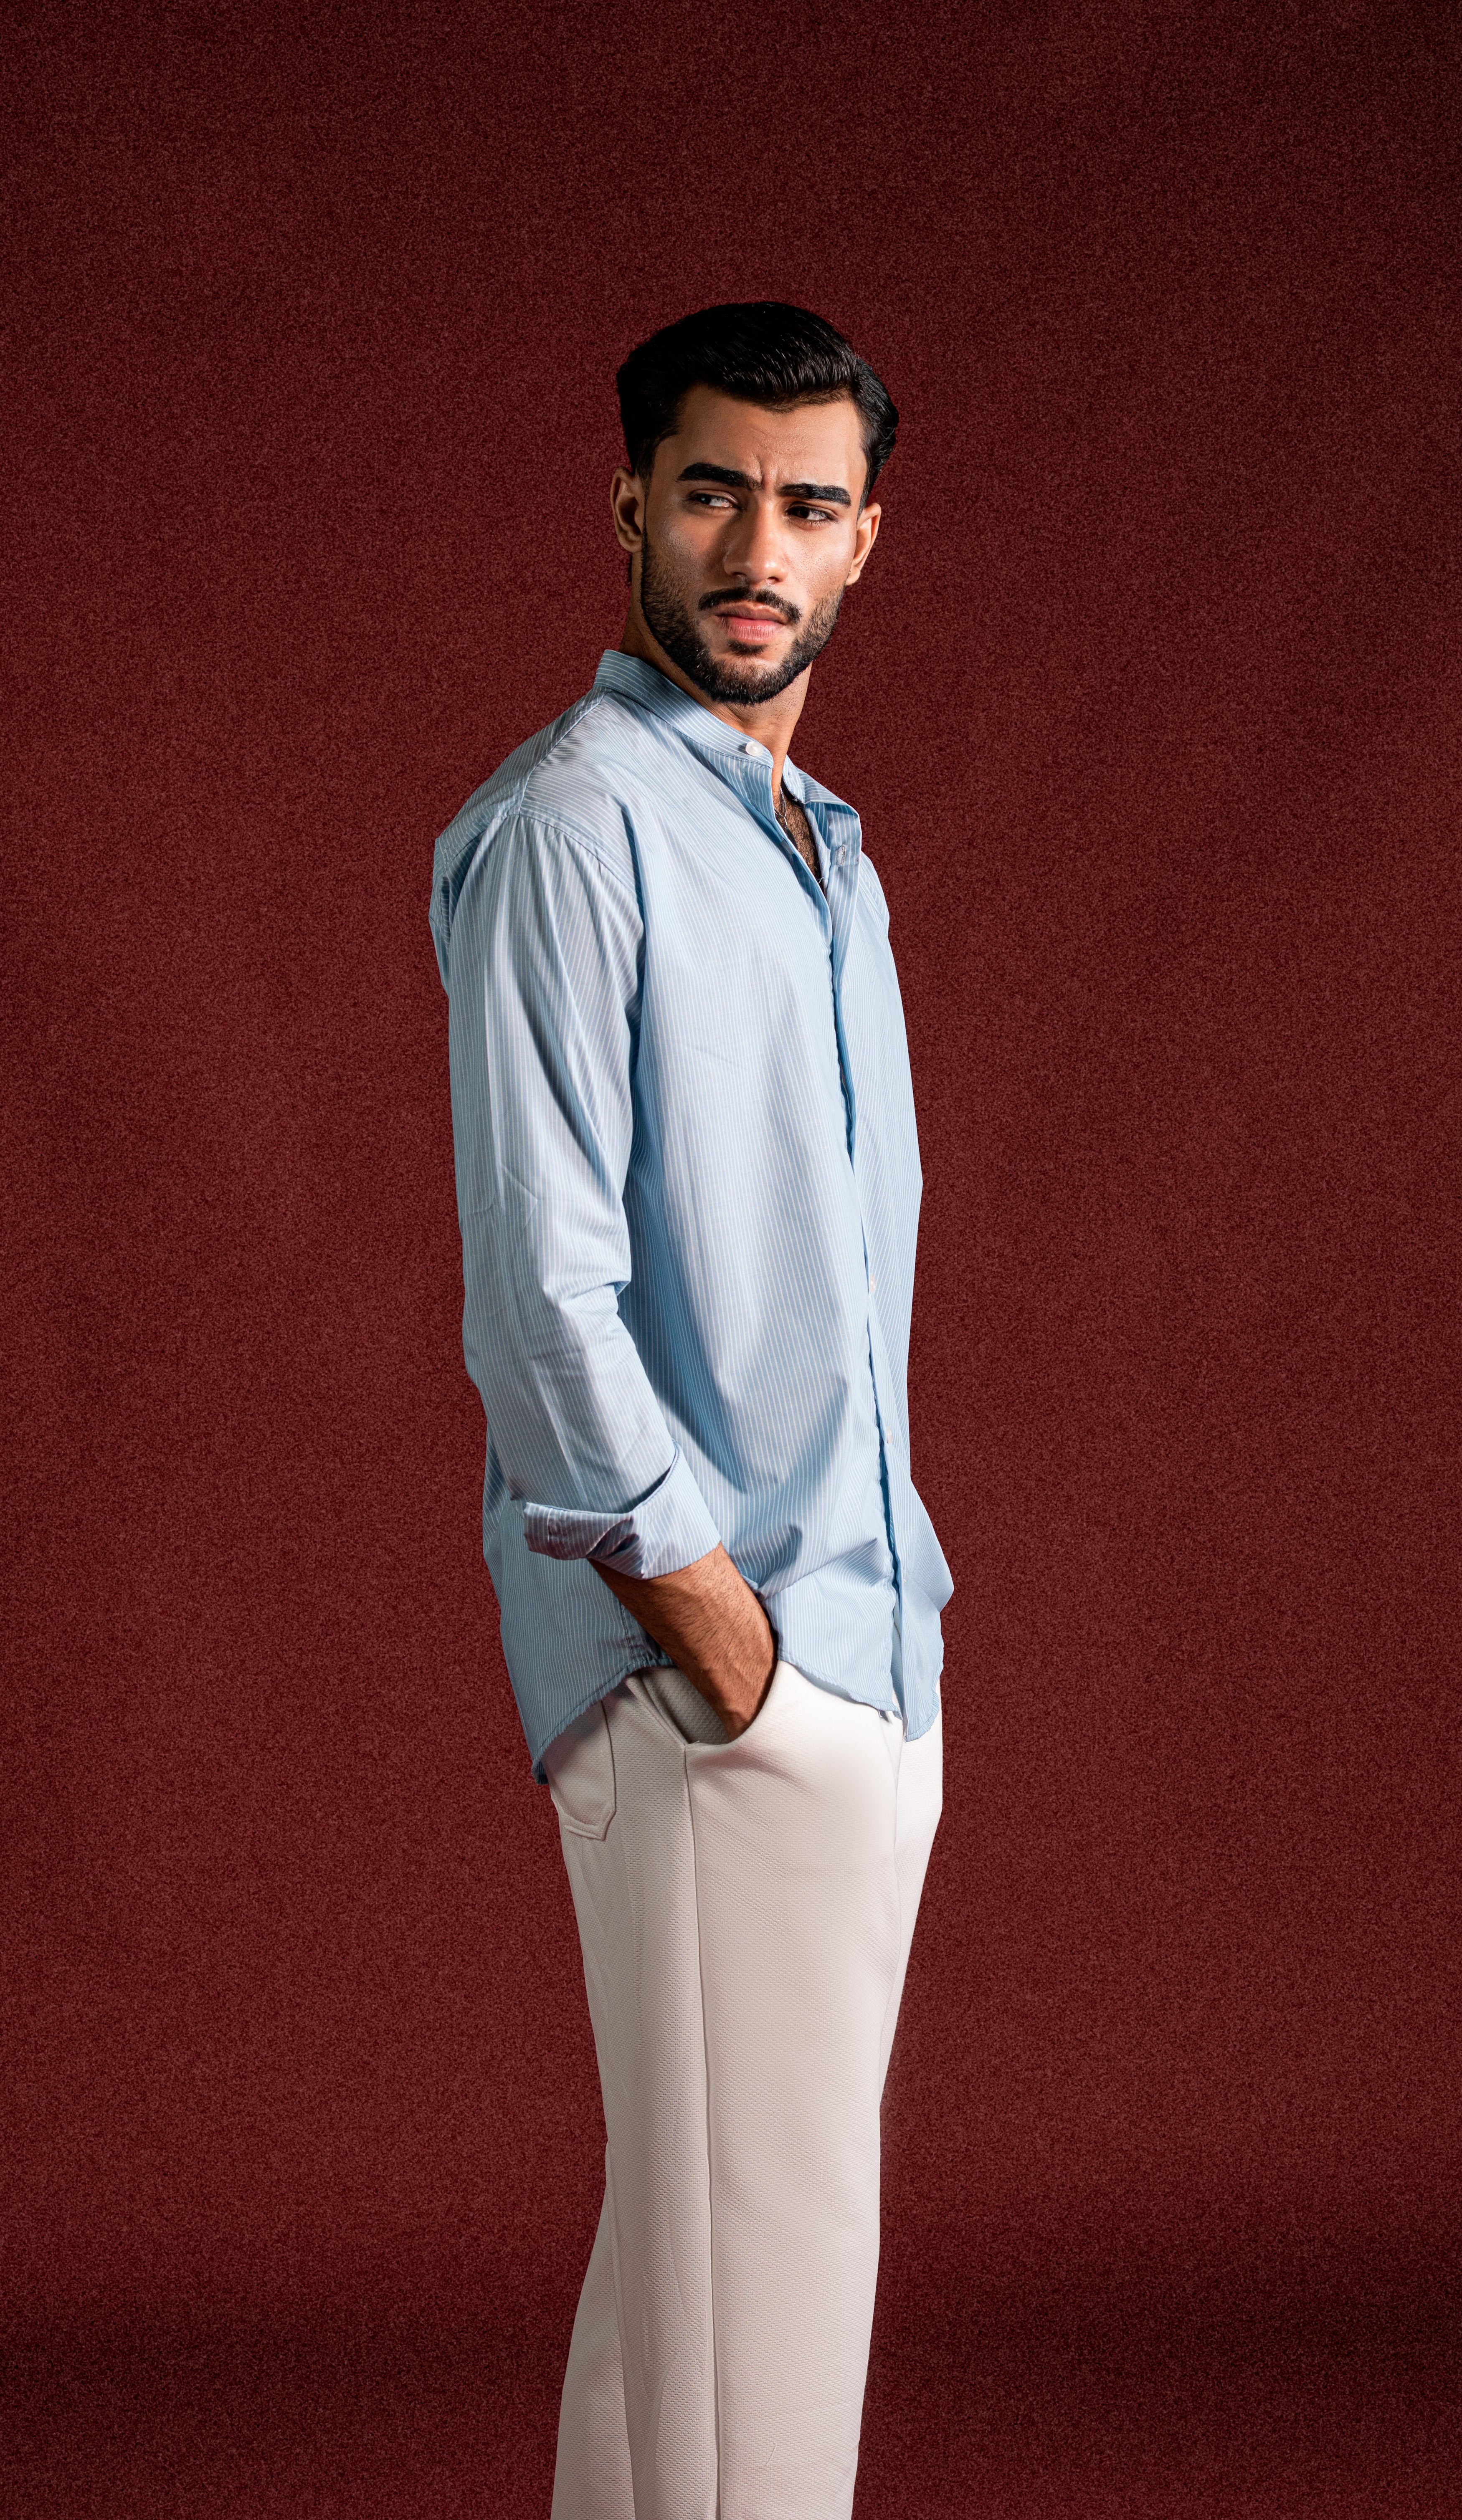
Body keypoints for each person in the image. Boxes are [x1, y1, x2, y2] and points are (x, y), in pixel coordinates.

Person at [428, 301, 953, 2520]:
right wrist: (718, 1633)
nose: (758, 548)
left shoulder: (822, 851)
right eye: (714, 491)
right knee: (760, 2396)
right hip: (718, 1681)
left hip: (856, 1656)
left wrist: (838, 1655)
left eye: (807, 505)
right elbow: (541, 1293)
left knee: (679, 2367)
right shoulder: (575, 826)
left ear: (863, 543)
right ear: (630, 503)